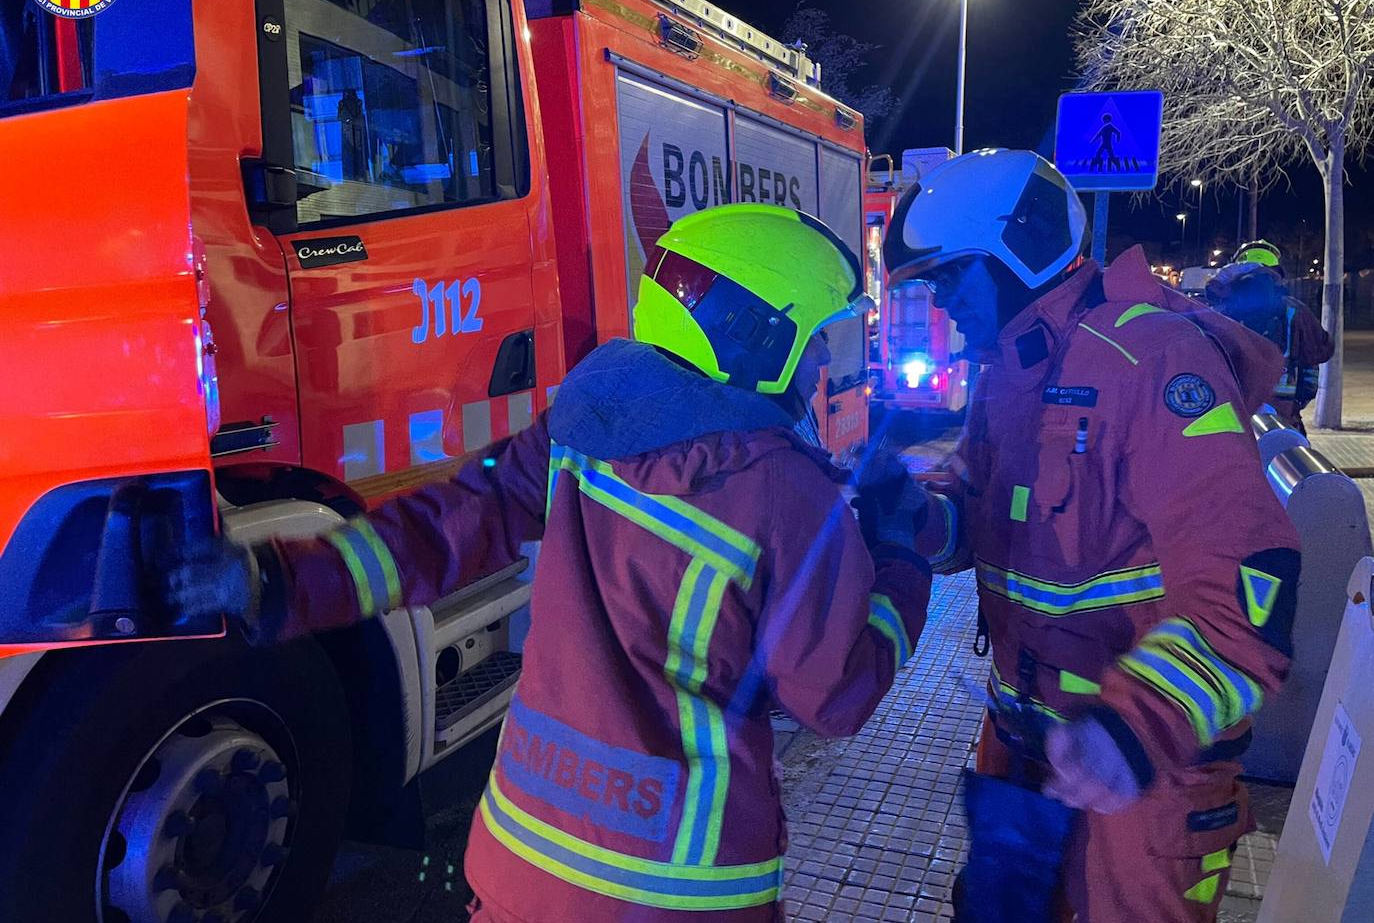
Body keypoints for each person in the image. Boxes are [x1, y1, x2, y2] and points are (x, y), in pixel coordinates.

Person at [163, 203, 933, 922]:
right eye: (817, 341)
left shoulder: (580, 427)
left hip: (520, 869)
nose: (823, 367)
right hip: (678, 893)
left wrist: (282, 580)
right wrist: (901, 560)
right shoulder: (788, 493)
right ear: (759, 338)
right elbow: (835, 698)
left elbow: (444, 527)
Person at [884, 150, 1301, 923]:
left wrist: (1132, 727)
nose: (941, 302)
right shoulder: (1009, 368)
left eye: (949, 277)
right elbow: (981, 529)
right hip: (1030, 757)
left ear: (1016, 252)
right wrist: (908, 511)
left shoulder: (1149, 359)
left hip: (1141, 779)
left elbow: (1254, 583)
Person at [1206, 240, 1334, 434]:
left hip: (1231, 415)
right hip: (1283, 415)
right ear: (1276, 272)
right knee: (1287, 460)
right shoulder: (1295, 310)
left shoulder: (1219, 311)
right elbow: (1322, 350)